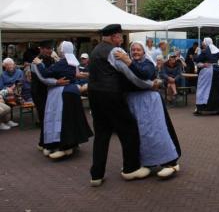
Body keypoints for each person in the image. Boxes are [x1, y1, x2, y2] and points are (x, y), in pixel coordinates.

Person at [88, 24, 152, 187]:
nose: (122, 39)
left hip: (94, 96)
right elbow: (130, 74)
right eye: (120, 36)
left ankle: (96, 175)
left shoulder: (95, 51)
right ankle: (131, 168)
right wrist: (149, 85)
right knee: (129, 130)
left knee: (101, 135)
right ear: (114, 37)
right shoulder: (116, 51)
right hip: (112, 96)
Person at [112, 41, 181, 179]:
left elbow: (144, 74)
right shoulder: (126, 65)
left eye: (138, 50)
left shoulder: (147, 64)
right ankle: (147, 162)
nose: (135, 52)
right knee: (141, 134)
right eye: (133, 50)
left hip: (149, 102)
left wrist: (128, 62)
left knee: (157, 131)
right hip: (134, 103)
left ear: (144, 52)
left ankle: (171, 162)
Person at [33, 41, 93, 160]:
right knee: (71, 119)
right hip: (71, 92)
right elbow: (75, 74)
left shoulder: (61, 62)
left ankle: (65, 146)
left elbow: (44, 75)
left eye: (55, 48)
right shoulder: (73, 61)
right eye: (47, 48)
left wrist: (40, 65)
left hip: (63, 92)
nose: (51, 50)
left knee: (62, 120)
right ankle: (68, 143)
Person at [30, 40, 69, 151]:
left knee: (50, 117)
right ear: (41, 49)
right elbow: (43, 79)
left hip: (50, 92)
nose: (49, 50)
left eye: (50, 48)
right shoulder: (35, 62)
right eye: (47, 48)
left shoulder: (52, 60)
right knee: (44, 117)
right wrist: (57, 82)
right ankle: (43, 143)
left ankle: (47, 141)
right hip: (39, 93)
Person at [193, 37, 219, 115]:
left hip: (208, 71)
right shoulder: (215, 50)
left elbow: (196, 59)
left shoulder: (205, 51)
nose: (202, 43)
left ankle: (202, 108)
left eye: (203, 42)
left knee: (205, 89)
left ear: (206, 43)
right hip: (217, 70)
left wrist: (196, 53)